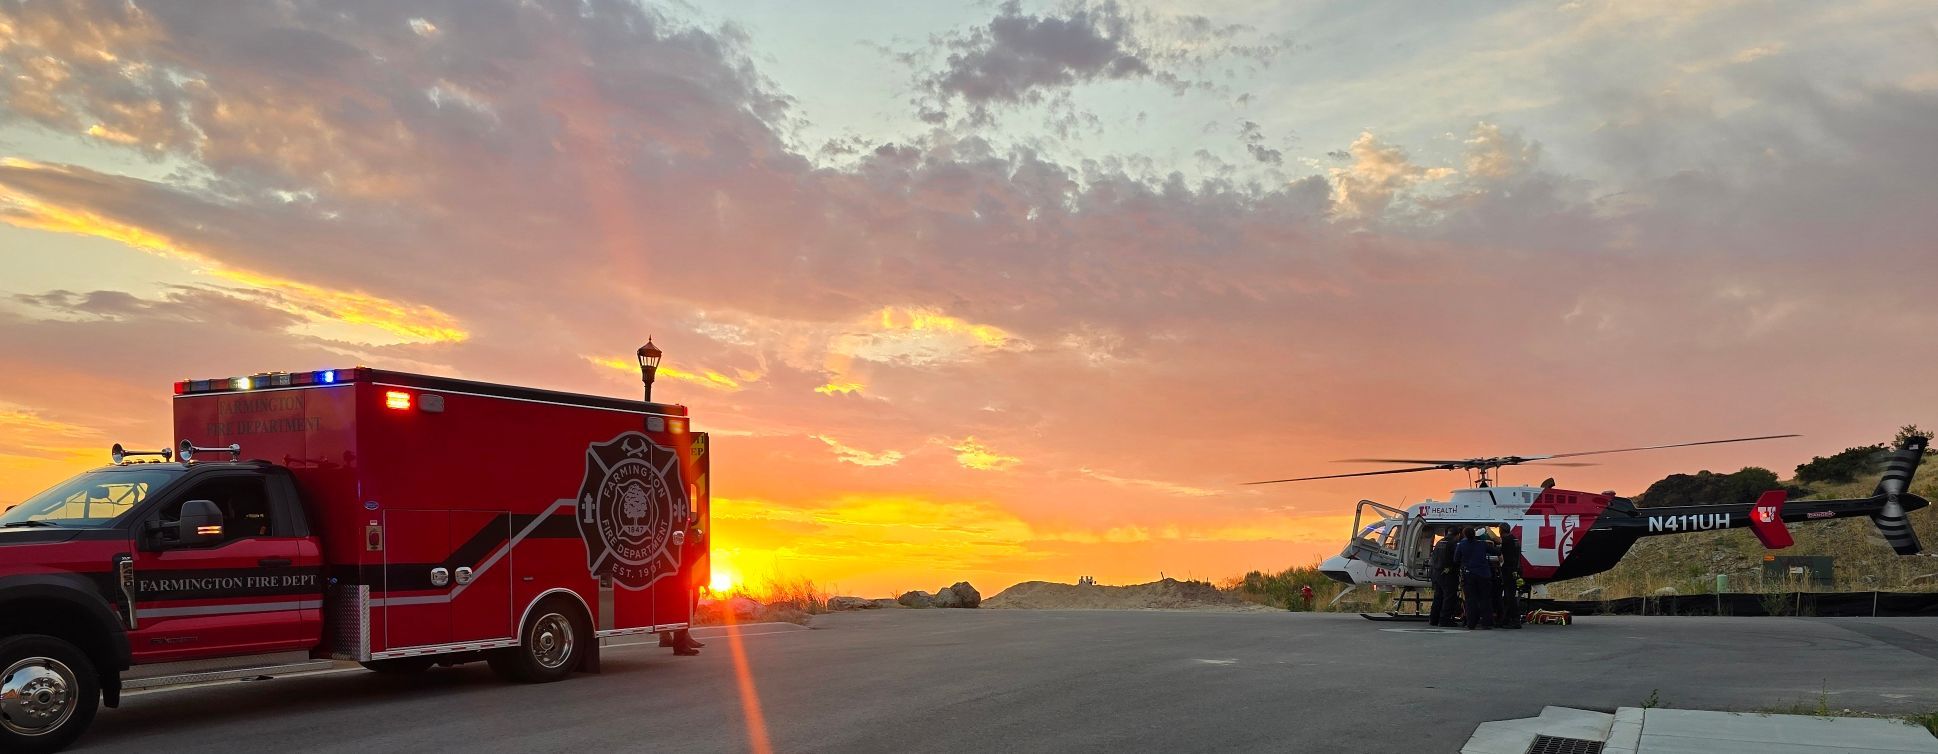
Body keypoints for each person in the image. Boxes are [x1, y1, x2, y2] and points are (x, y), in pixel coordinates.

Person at [1455, 526, 1494, 630]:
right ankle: (1486, 623)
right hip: (1483, 574)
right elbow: (1496, 551)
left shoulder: (1461, 545)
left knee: (1470, 600)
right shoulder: (1482, 544)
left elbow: (1456, 559)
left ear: (1464, 535)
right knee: (1485, 599)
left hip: (1469, 575)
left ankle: (1471, 623)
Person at [1428, 530, 1460, 626]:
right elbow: (1456, 559)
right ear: (1457, 535)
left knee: (1438, 597)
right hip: (1448, 574)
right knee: (1449, 597)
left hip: (1437, 573)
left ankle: (1433, 619)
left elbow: (1433, 557)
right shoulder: (1453, 544)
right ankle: (1444, 620)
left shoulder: (1439, 542)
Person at [1497, 526, 1523, 629]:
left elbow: (1498, 551)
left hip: (1509, 570)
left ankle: (1515, 620)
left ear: (1501, 531)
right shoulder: (1515, 538)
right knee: (1509, 596)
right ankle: (1506, 619)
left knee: (1510, 597)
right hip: (1515, 569)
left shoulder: (1506, 540)